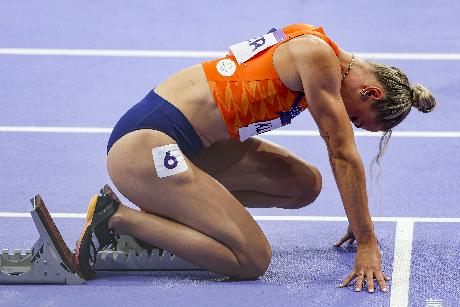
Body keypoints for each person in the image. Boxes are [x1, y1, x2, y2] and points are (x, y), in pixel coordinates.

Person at [76, 24, 436, 292]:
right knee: (251, 261)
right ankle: (118, 220)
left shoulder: (318, 49)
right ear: (370, 92)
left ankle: (168, 212)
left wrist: (358, 220)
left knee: (303, 185)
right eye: (357, 118)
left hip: (184, 145)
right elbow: (342, 152)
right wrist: (367, 240)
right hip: (146, 148)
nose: (349, 123)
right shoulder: (316, 56)